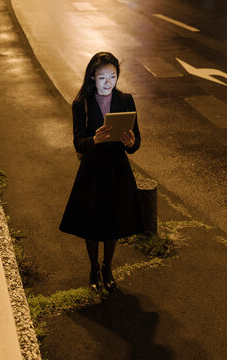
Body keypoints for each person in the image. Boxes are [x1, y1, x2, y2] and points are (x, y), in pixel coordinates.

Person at [59, 52, 147, 292]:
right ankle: (93, 268)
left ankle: (107, 267)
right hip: (93, 170)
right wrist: (94, 140)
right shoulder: (81, 104)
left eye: (113, 76)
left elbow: (136, 141)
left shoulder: (126, 100)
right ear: (92, 78)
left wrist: (130, 143)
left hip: (118, 169)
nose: (108, 83)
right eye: (102, 78)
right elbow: (78, 142)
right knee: (91, 223)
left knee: (114, 222)